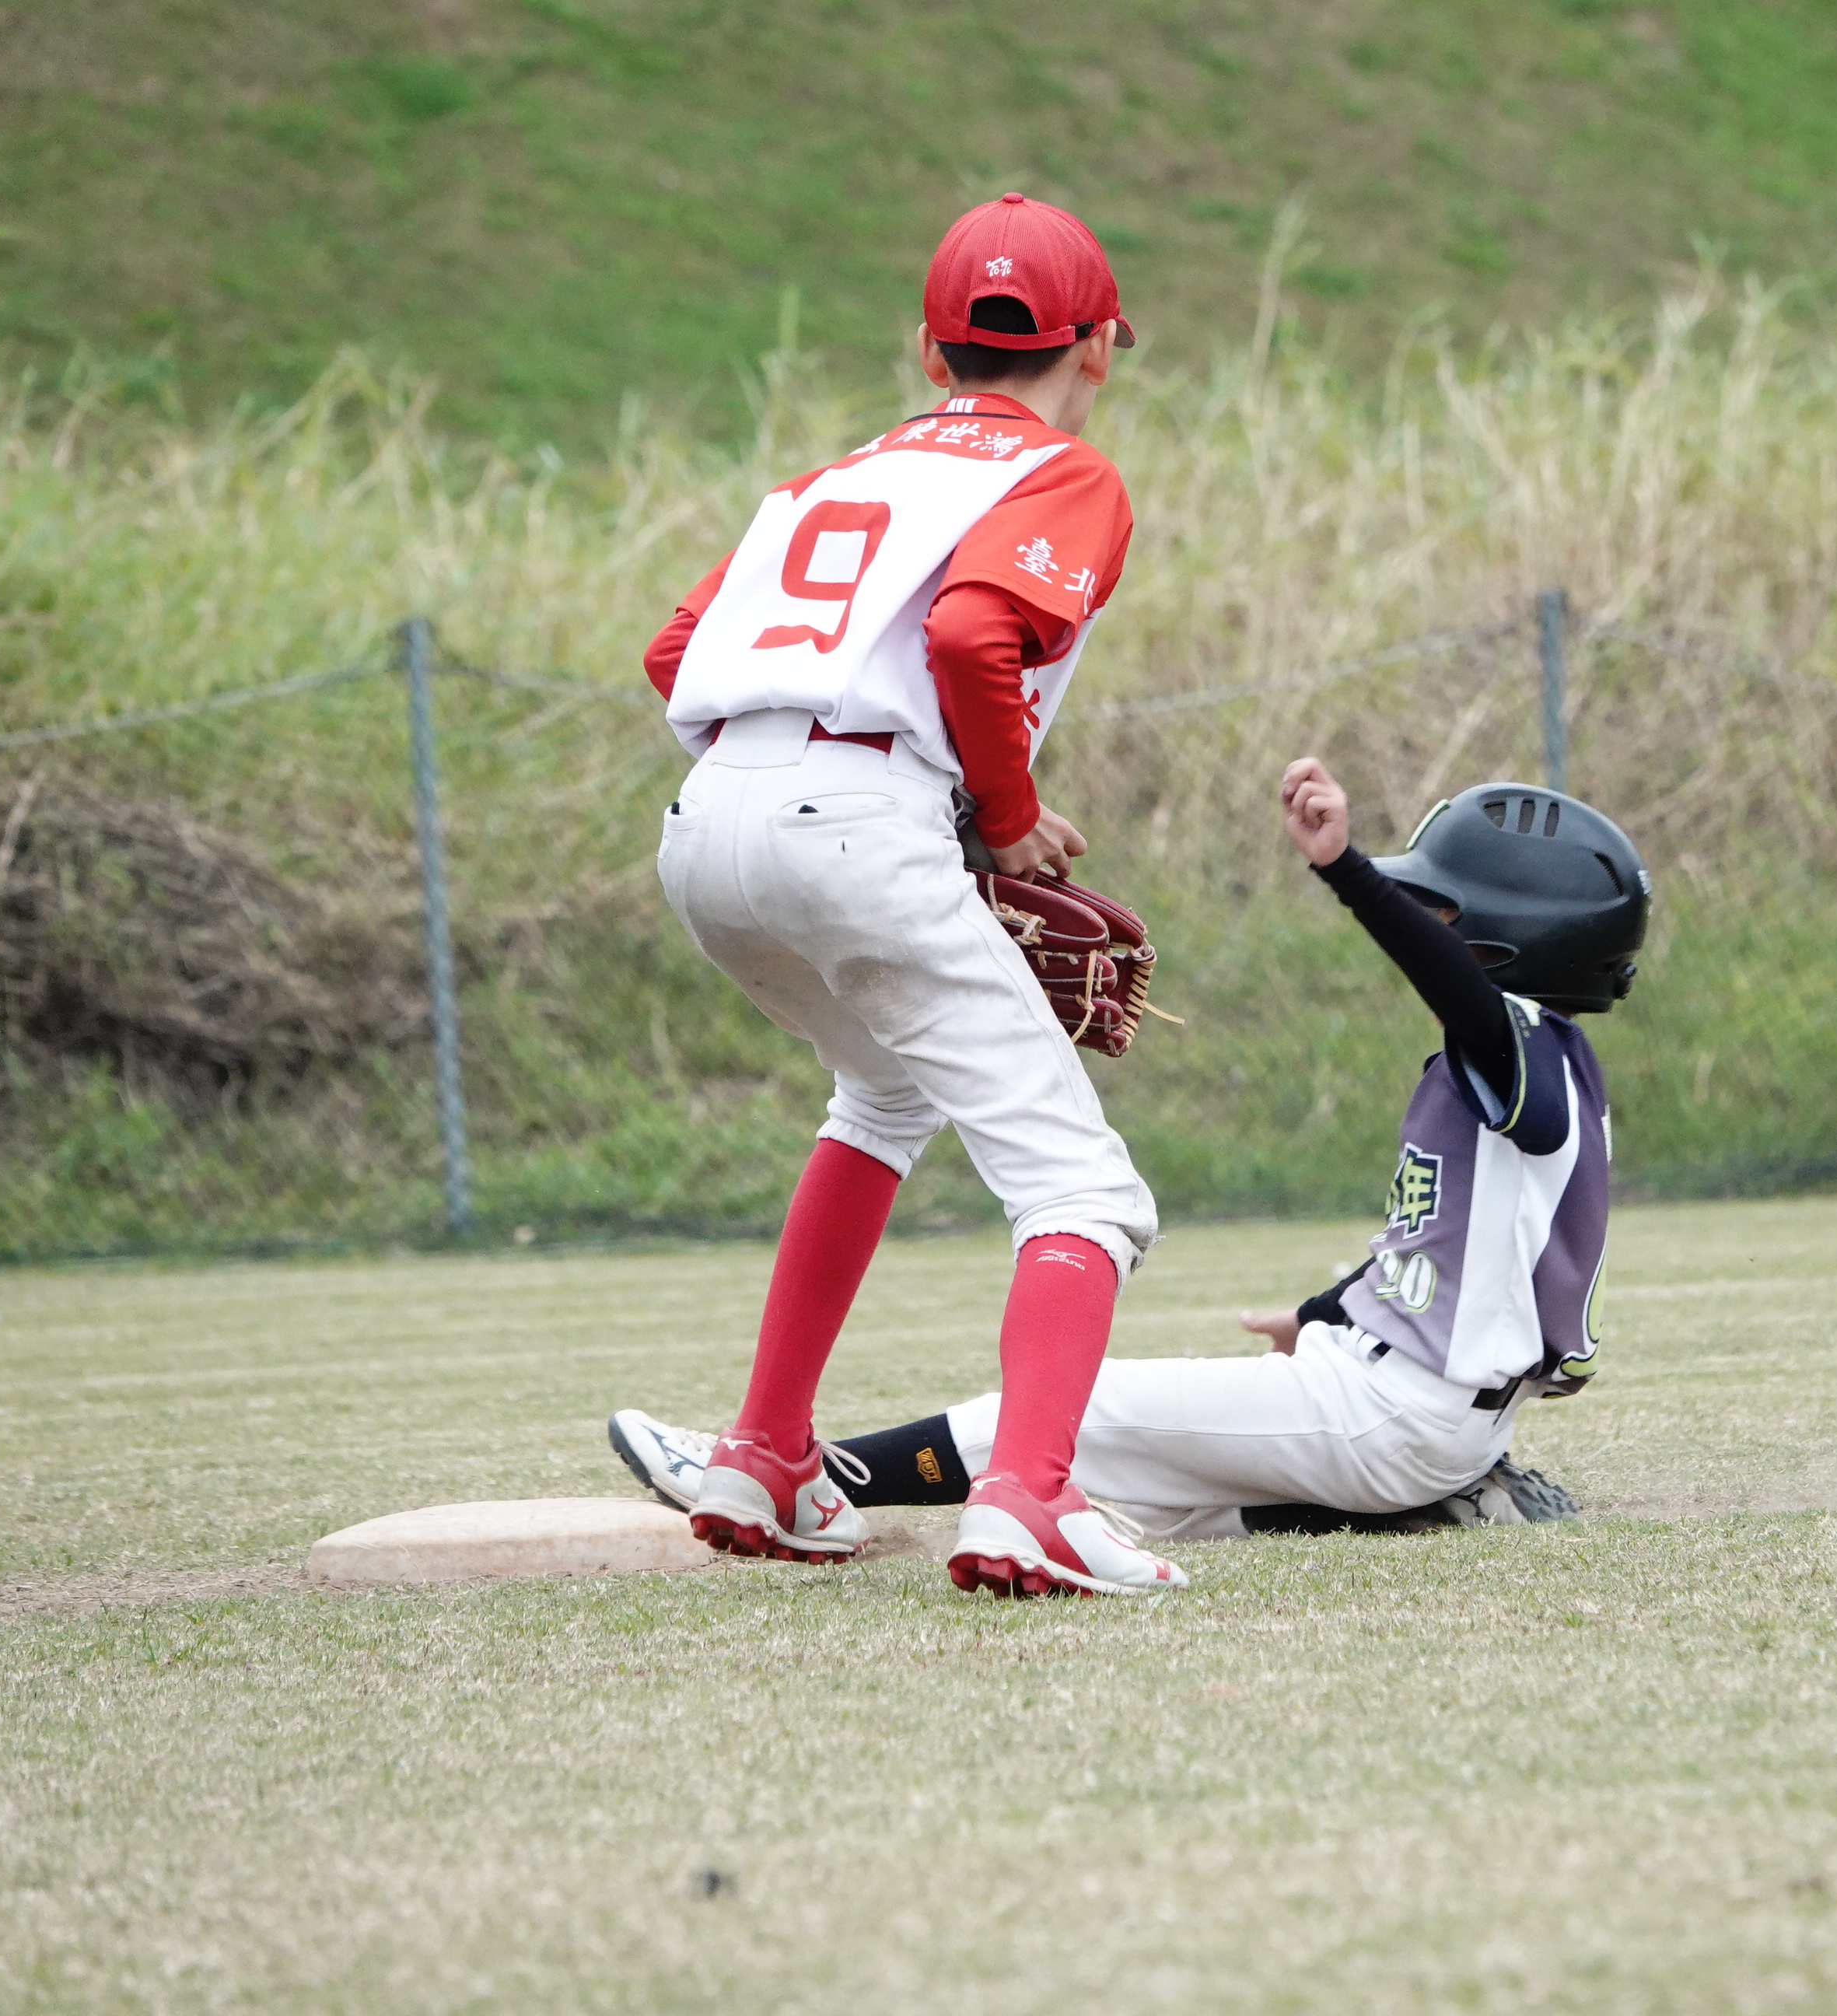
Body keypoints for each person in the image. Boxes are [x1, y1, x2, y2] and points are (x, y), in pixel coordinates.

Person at [609, 761, 1650, 1545]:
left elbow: (1456, 990)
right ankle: (1437, 1506)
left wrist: (1349, 872)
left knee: (1076, 1411)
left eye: (1440, 905)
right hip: (1408, 1411)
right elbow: (1442, 1253)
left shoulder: (1517, 1044)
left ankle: (800, 1474)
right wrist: (1323, 1312)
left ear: (1513, 935)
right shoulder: (1544, 1078)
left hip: (1397, 1415)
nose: (1422, 914)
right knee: (1138, 1498)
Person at [644, 192, 1182, 1598]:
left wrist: (807, 782)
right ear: (1099, 348)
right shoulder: (1064, 472)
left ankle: (765, 1454)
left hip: (710, 820)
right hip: (856, 821)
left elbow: (676, 653)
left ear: (932, 353)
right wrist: (1000, 818)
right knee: (1081, 1187)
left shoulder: (827, 485)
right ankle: (1031, 1500)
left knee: (881, 1095)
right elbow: (969, 630)